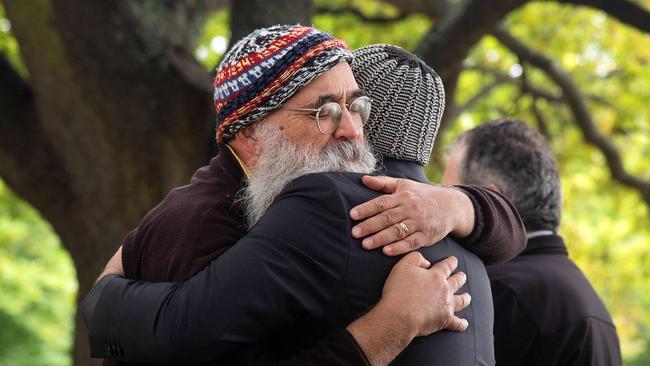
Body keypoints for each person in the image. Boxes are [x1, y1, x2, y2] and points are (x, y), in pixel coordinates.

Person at [83, 25, 524, 365]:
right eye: (325, 112)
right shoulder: (198, 223)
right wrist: (386, 330)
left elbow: (512, 234)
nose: (354, 131)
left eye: (357, 106)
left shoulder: (326, 200)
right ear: (251, 136)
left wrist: (455, 203)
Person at [442, 119, 622, 366]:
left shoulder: (498, 290)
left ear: (491, 201)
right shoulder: (582, 294)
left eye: (450, 196)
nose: (440, 213)